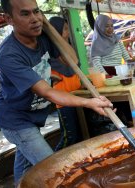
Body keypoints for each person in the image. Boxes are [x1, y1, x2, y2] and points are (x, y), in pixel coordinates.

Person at [0, 0, 114, 185]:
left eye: (36, 12)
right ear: (9, 19)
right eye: (25, 14)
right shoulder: (8, 53)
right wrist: (89, 102)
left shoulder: (43, 37)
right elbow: (47, 93)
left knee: (25, 167)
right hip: (16, 119)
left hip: (33, 116)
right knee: (54, 169)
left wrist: (49, 26)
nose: (34, 19)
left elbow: (73, 60)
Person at [48, 16, 82, 151]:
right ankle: (54, 160)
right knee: (69, 136)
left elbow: (74, 68)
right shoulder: (51, 54)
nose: (68, 33)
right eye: (65, 29)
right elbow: (64, 73)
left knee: (77, 135)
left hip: (76, 97)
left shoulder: (67, 51)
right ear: (55, 31)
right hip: (64, 102)